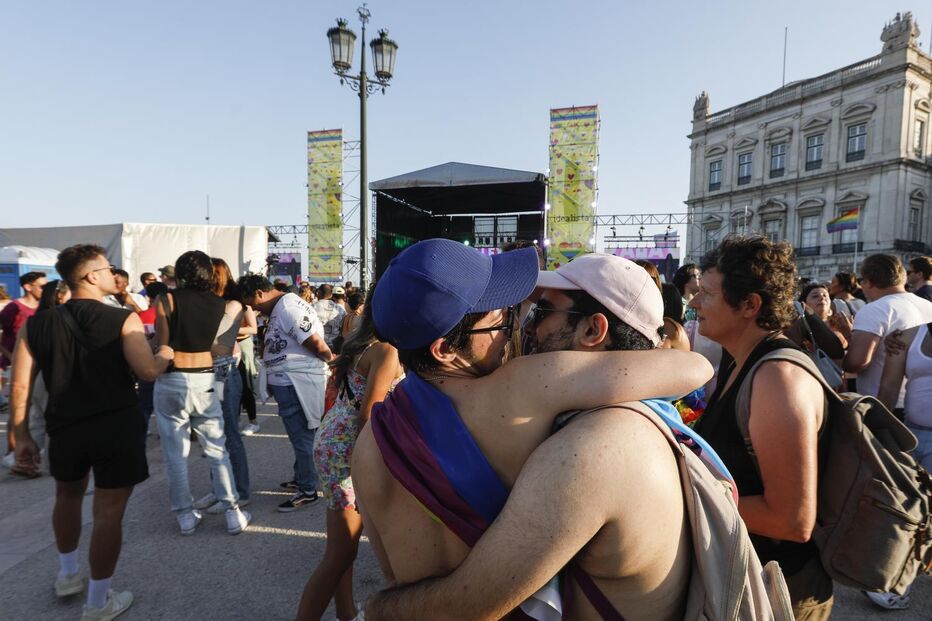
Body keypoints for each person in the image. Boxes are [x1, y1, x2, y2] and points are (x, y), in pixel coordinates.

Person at [353, 241, 713, 619]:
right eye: (502, 320)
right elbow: (693, 368)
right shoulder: (518, 388)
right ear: (444, 349)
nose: (513, 331)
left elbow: (394, 576)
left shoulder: (368, 446)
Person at [9, 244, 173, 620]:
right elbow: (147, 371)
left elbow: (19, 386)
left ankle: (67, 575)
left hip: (64, 424)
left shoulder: (37, 322)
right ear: (90, 276)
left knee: (66, 497)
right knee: (108, 513)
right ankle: (98, 602)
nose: (112, 274)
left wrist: (20, 434)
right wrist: (165, 353)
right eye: (106, 268)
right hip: (115, 423)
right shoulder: (122, 319)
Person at [689, 235, 831, 619]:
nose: (694, 302)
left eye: (706, 293)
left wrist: (681, 498)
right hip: (748, 578)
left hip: (779, 592)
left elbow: (791, 519)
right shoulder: (740, 361)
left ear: (749, 305)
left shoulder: (776, 378)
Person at [297, 290, 403, 621]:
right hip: (349, 450)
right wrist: (369, 469)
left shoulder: (360, 342)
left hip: (333, 442)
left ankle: (345, 613)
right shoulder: (387, 351)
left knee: (343, 547)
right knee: (340, 553)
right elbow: (369, 415)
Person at [154, 251, 251, 536]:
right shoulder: (221, 305)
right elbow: (220, 348)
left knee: (175, 453)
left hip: (171, 379)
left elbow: (163, 346)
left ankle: (185, 516)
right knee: (217, 449)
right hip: (205, 380)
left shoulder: (166, 300)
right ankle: (233, 513)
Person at [239, 274, 332, 511]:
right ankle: (302, 478)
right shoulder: (285, 306)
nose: (253, 308)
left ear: (259, 293)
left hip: (295, 382)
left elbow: (317, 344)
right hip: (290, 380)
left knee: (302, 437)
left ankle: (308, 489)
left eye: (251, 302)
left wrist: (333, 361)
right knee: (299, 435)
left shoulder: (289, 307)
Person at [192, 258, 254, 514]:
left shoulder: (232, 305)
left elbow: (220, 343)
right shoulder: (210, 303)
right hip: (209, 373)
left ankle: (239, 492)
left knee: (228, 432)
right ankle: (219, 489)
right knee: (212, 433)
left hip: (224, 374)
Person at [844, 254, 932, 416]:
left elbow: (857, 363)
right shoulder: (928, 305)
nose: (860, 286)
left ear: (870, 282)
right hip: (920, 402)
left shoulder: (874, 309)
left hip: (883, 405)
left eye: (861, 281)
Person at [1, 271, 47, 467]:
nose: (44, 289)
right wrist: (11, 357)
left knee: (35, 412)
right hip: (16, 364)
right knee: (18, 410)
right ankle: (13, 454)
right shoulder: (14, 307)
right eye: (41, 286)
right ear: (28, 286)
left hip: (39, 365)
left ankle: (29, 453)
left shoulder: (43, 308)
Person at [137, 281, 168, 438]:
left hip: (148, 363)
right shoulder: (171, 315)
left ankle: (142, 430)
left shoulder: (140, 316)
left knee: (145, 402)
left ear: (150, 298)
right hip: (167, 364)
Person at [314, 284, 347, 349]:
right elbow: (344, 328)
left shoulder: (311, 308)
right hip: (335, 346)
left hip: (317, 346)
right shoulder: (340, 309)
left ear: (318, 294)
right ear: (331, 295)